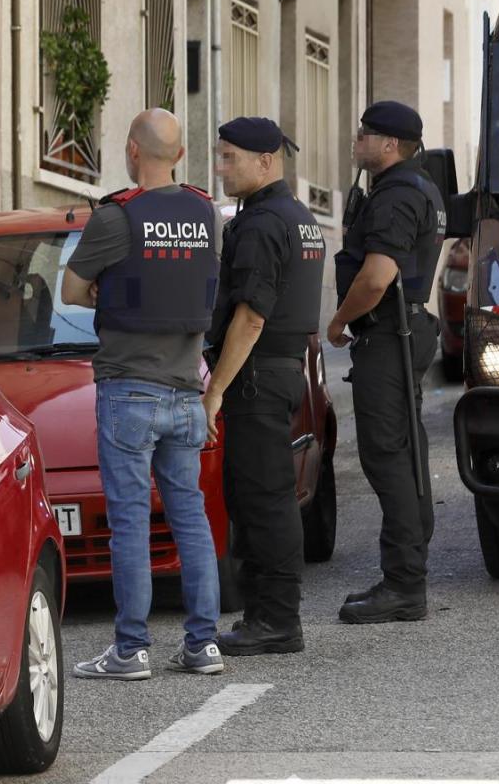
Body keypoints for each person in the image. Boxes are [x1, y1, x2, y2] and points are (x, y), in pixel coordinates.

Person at [62, 108, 225, 681]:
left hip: (129, 390)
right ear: (179, 156)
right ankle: (204, 644)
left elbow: (72, 289)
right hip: (187, 391)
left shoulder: (116, 217)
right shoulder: (206, 213)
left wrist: (108, 291)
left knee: (130, 522)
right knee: (191, 518)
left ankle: (131, 650)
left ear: (133, 151)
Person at [203, 117, 325, 655]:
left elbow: (251, 317)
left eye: (230, 157)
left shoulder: (261, 224)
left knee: (263, 501)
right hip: (281, 372)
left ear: (266, 161)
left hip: (257, 377)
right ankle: (267, 616)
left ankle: (275, 620)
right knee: (263, 496)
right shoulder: (299, 217)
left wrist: (215, 390)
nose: (221, 167)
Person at [327, 101, 446, 624]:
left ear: (390, 144)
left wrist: (338, 321)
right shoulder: (420, 186)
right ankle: (407, 571)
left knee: (386, 454)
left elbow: (376, 278)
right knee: (404, 448)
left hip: (389, 333)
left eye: (364, 134)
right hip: (405, 330)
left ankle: (404, 583)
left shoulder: (397, 195)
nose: (357, 141)